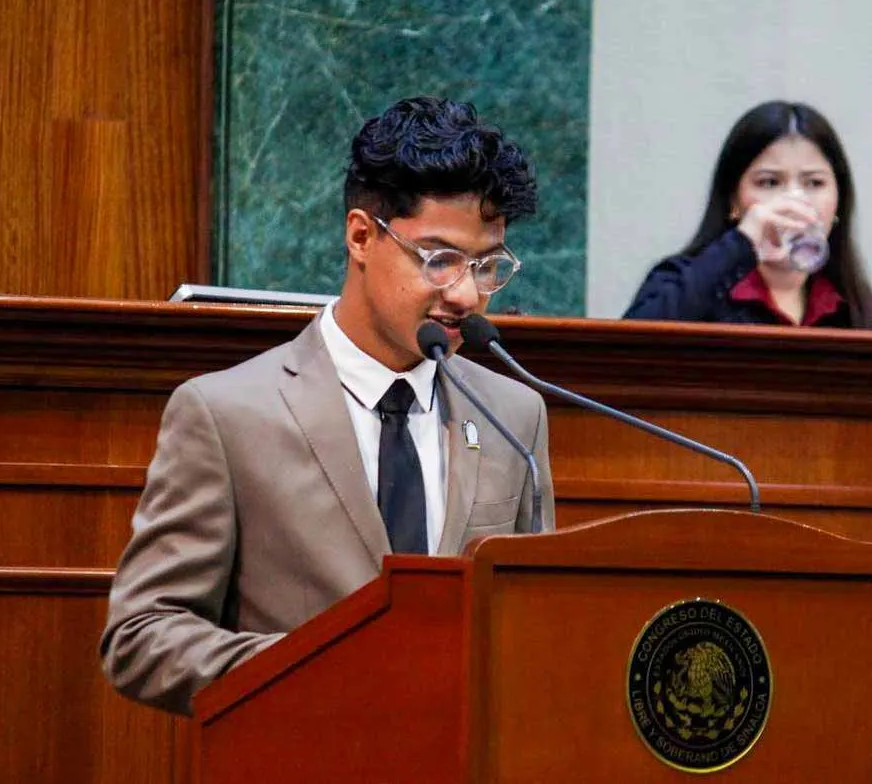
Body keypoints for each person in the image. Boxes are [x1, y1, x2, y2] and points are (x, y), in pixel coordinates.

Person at [100, 96, 555, 715]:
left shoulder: (514, 414)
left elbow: (534, 622)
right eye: (440, 260)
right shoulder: (226, 414)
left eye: (486, 265)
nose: (467, 294)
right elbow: (142, 635)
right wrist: (317, 667)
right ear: (362, 236)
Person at [624, 101, 872, 329]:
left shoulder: (857, 308)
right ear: (733, 200)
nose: (793, 201)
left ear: (838, 201)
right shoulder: (686, 282)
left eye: (814, 183)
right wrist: (741, 246)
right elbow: (626, 353)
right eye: (770, 183)